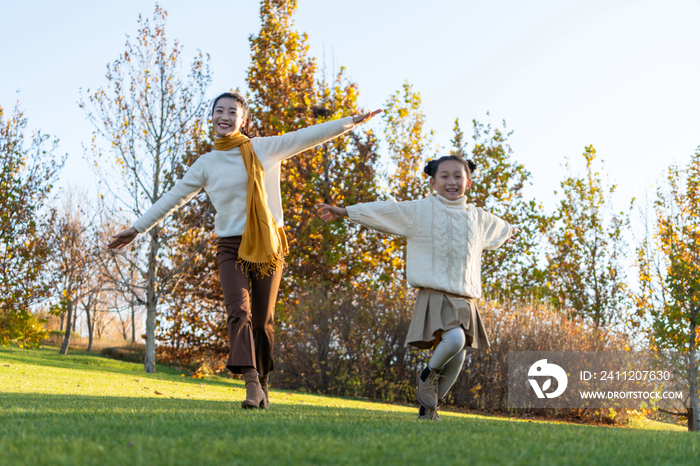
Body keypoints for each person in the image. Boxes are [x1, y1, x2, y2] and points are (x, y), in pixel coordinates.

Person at [108, 91, 380, 409]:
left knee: (264, 320)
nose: (224, 116)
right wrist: (137, 228)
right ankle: (251, 381)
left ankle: (263, 382)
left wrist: (350, 122)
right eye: (218, 111)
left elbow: (307, 136)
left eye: (231, 112)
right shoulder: (206, 164)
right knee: (239, 312)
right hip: (230, 246)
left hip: (267, 244)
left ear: (243, 119)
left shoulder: (264, 148)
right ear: (212, 117)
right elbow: (173, 198)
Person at [317, 155, 519, 420]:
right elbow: (386, 211)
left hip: (465, 299)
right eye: (444, 176)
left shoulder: (479, 218)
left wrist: (510, 231)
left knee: (457, 356)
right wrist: (347, 212)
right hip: (435, 294)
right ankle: (426, 377)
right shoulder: (421, 211)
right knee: (455, 340)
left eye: (458, 176)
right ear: (433, 182)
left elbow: (503, 229)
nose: (452, 181)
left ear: (468, 182)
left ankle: (429, 409)